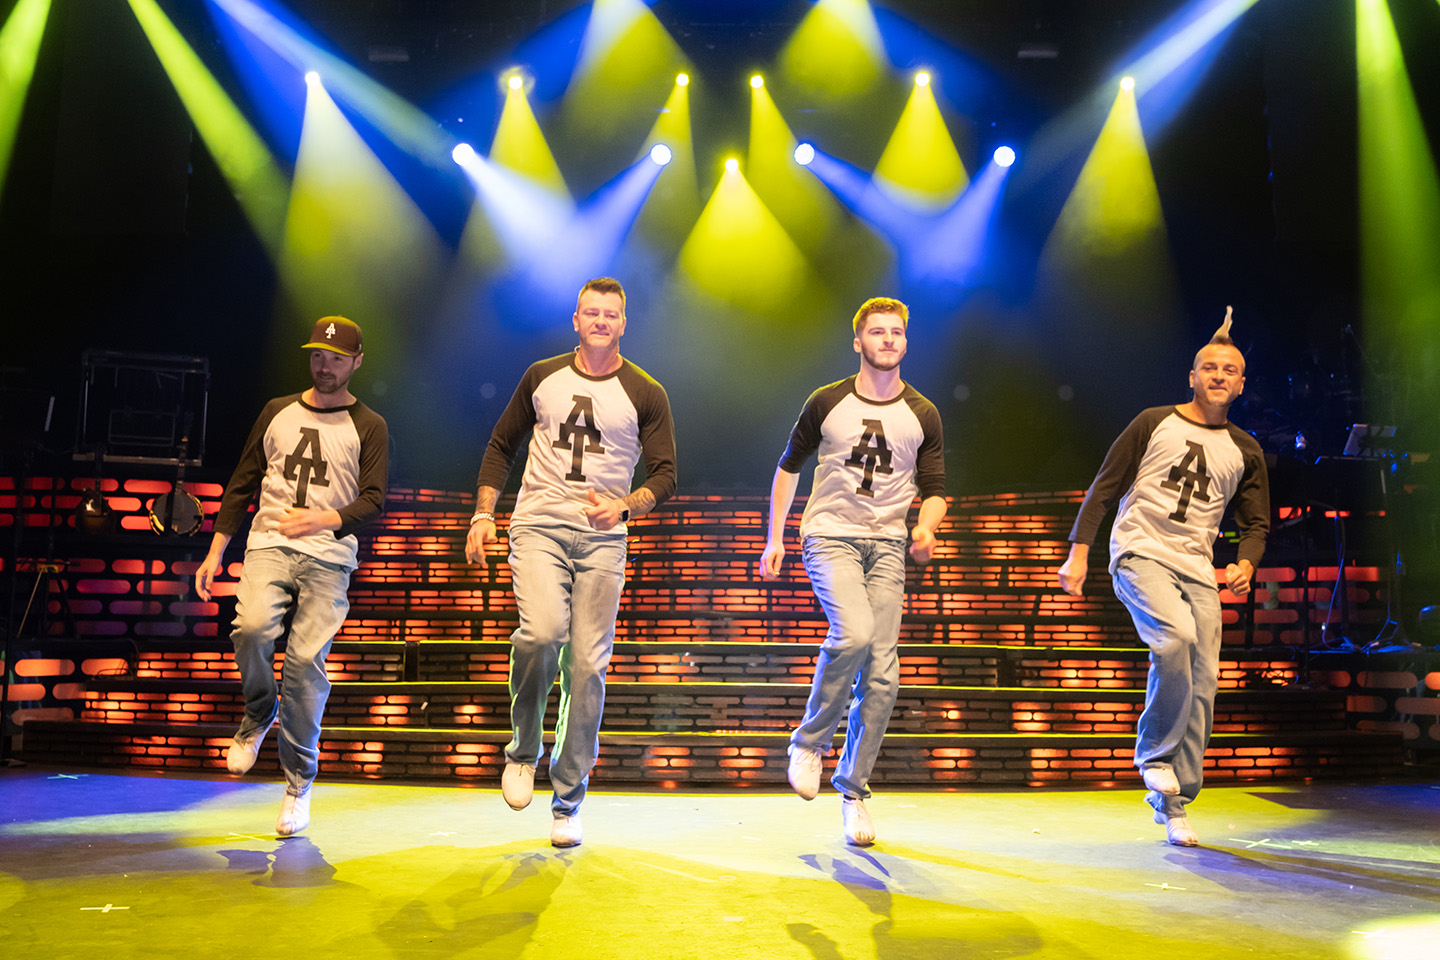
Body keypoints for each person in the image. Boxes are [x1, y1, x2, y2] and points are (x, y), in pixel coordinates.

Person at [466, 277, 676, 848]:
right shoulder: (542, 376)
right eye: (592, 313)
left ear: (623, 323)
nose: (601, 321)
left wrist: (626, 507)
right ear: (576, 320)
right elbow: (500, 445)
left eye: (611, 314)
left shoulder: (646, 391)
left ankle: (568, 797)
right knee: (539, 634)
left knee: (587, 666)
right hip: (539, 526)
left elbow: (665, 474)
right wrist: (483, 515)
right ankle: (521, 751)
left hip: (604, 539)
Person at [1057, 308, 1269, 847]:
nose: (1219, 375)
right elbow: (1104, 487)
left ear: (1242, 385)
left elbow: (1256, 521)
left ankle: (1174, 801)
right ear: (1192, 376)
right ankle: (1153, 757)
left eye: (1230, 370)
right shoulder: (1154, 422)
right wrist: (1079, 552)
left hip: (1197, 566)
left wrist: (1245, 563)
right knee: (1174, 639)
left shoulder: (1245, 450)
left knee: (1205, 680)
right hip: (1141, 551)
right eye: (1209, 367)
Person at [758, 296, 947, 846]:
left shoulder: (924, 413)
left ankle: (855, 790)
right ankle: (809, 742)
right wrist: (775, 538)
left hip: (888, 545)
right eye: (877, 332)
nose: (888, 340)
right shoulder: (828, 401)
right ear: (858, 341)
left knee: (884, 678)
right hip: (830, 535)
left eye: (896, 332)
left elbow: (935, 491)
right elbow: (788, 467)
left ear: (905, 342)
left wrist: (926, 528)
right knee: (854, 632)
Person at [194, 316, 388, 836]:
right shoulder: (277, 411)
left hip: (329, 555)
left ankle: (299, 782)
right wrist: (215, 553)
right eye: (318, 357)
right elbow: (242, 482)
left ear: (357, 362)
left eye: (337, 359)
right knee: (252, 628)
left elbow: (373, 499)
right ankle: (258, 713)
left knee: (305, 663)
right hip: (270, 544)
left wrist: (324, 519)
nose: (325, 367)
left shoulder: (369, 424)